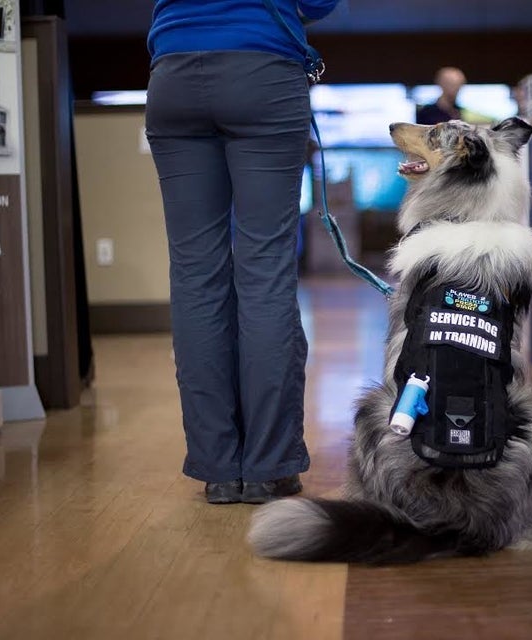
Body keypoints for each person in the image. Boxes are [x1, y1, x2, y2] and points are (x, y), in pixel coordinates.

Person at [145, 0, 341, 504]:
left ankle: (218, 469)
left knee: (194, 276)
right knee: (265, 272)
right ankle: (267, 468)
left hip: (172, 71)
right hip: (262, 71)